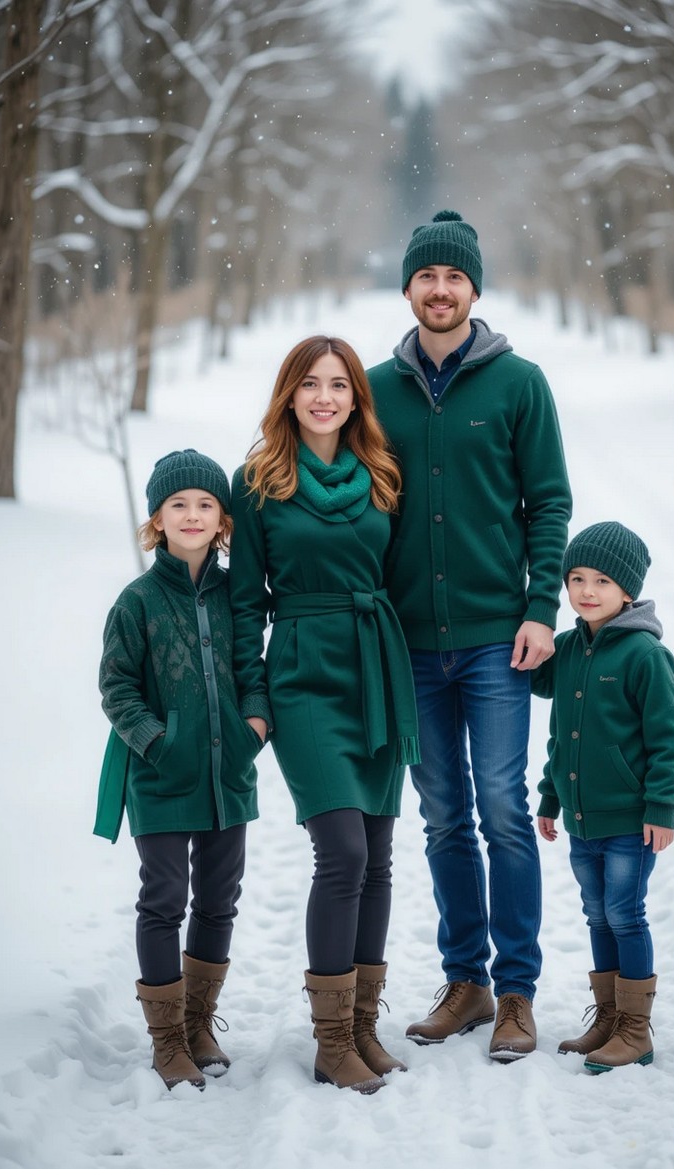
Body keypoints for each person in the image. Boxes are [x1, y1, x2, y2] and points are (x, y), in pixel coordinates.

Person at [366, 209, 572, 1061]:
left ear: (474, 289)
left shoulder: (519, 383)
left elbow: (549, 502)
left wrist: (540, 606)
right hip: (409, 641)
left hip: (496, 637)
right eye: (427, 276)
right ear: (409, 287)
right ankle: (467, 982)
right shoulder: (374, 389)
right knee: (443, 816)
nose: (440, 289)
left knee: (503, 811)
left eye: (455, 277)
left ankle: (518, 989)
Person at [229, 335, 420, 1095]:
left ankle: (363, 1029)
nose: (324, 397)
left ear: (355, 398)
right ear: (289, 394)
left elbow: (401, 574)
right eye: (310, 384)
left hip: (376, 664)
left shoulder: (382, 476)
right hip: (305, 674)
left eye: (339, 384)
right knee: (341, 849)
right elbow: (246, 605)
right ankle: (330, 1040)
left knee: (378, 854)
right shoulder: (261, 482)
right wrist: (254, 697)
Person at [95, 449, 263, 1091]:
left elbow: (254, 670)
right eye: (177, 505)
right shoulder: (136, 601)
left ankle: (198, 1024)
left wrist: (254, 730)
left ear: (223, 519)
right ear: (156, 519)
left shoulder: (237, 594)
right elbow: (116, 687)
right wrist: (157, 743)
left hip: (230, 778)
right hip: (161, 778)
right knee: (164, 899)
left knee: (219, 900)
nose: (191, 515)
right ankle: (166, 1041)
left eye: (205, 504)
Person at [533, 521, 674, 1072]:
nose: (586, 591)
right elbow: (560, 733)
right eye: (575, 578)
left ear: (628, 590)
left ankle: (636, 1030)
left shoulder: (645, 655)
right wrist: (551, 797)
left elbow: (669, 739)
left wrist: (661, 807)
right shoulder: (572, 648)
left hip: (629, 821)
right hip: (581, 820)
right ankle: (607, 1017)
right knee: (597, 915)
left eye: (601, 580)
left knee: (625, 913)